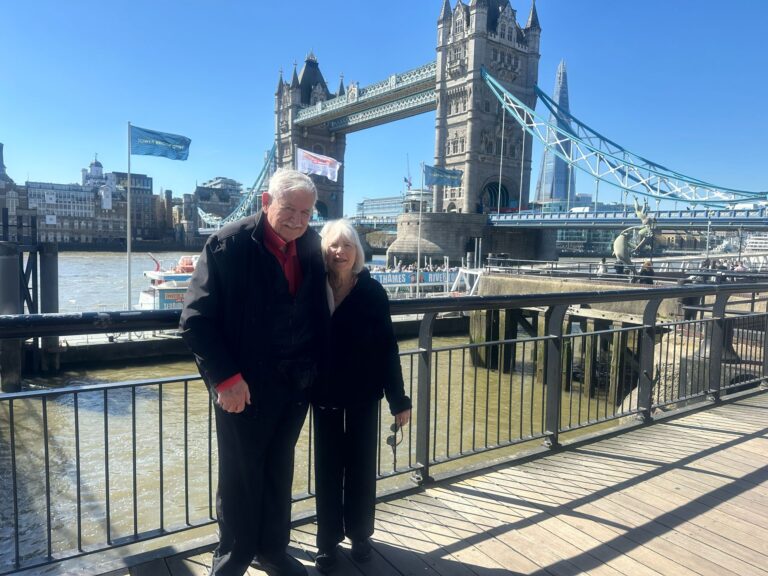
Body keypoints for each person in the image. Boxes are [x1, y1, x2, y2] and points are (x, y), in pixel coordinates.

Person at [180, 168, 328, 576]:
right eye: (289, 209)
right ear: (266, 202)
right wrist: (225, 379)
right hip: (243, 387)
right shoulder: (227, 244)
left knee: (280, 469)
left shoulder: (313, 245)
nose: (298, 219)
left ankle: (273, 550)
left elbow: (320, 308)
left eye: (307, 212)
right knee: (240, 475)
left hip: (295, 384)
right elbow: (195, 319)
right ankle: (233, 556)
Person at [311, 219, 412, 573]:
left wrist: (398, 400)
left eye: (347, 246)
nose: (340, 252)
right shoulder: (312, 288)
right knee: (326, 470)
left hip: (363, 395)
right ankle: (326, 542)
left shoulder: (372, 293)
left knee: (360, 468)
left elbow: (387, 347)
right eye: (334, 245)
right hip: (322, 395)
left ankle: (360, 535)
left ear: (358, 253)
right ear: (323, 250)